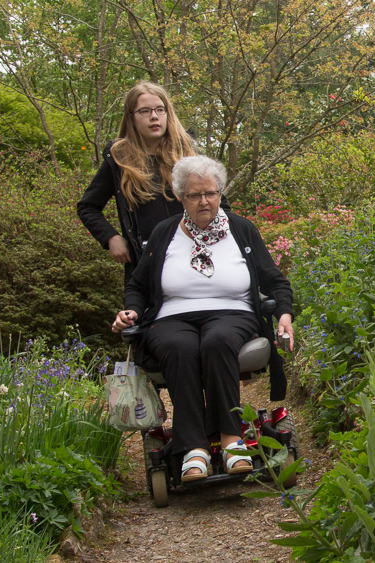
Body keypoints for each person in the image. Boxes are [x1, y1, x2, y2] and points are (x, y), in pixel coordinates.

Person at [110, 155, 294, 482]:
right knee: (179, 347)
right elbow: (137, 284)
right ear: (181, 197)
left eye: (210, 193)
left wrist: (284, 313)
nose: (204, 201)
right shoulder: (164, 233)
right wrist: (132, 311)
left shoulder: (241, 230)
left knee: (217, 341)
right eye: (194, 195)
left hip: (231, 312)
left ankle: (231, 440)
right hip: (171, 317)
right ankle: (193, 449)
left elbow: (275, 280)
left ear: (220, 193)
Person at [76, 82, 199, 283]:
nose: (154, 116)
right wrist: (111, 238)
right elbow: (87, 207)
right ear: (131, 117)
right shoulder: (118, 159)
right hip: (146, 266)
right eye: (145, 111)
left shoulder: (189, 155)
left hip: (194, 258)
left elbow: (220, 205)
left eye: (160, 109)